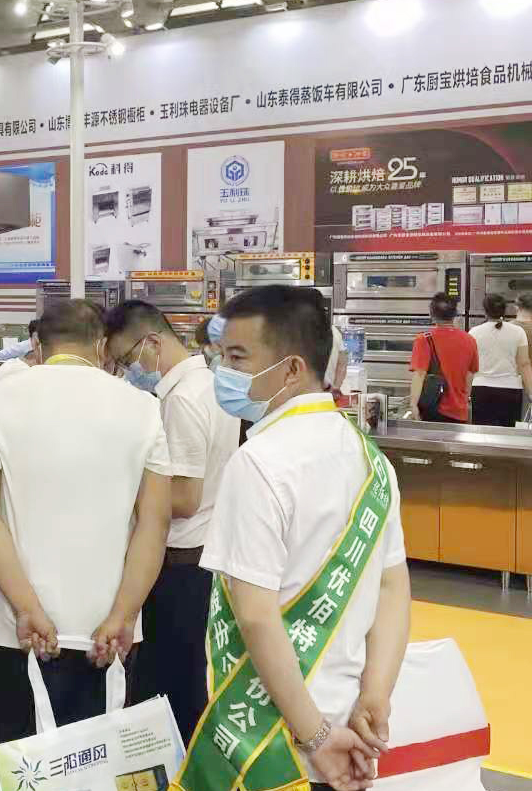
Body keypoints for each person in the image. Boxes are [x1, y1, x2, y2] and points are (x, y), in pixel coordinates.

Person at [182, 285, 410, 791]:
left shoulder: (259, 462)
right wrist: (375, 695)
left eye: (237, 357)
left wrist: (317, 736)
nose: (222, 371)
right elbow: (393, 587)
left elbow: (256, 615)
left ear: (290, 369)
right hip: (350, 725)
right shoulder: (370, 459)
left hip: (278, 746)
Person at [0, 299, 181, 791]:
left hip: (14, 634)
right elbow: (155, 522)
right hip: (110, 637)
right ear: (101, 346)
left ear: (38, 345)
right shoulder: (143, 407)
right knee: (99, 773)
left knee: (5, 767)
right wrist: (124, 614)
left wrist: (27, 608)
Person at [105, 301, 240, 741]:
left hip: (179, 562)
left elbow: (183, 497)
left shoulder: (182, 399)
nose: (129, 371)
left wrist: (126, 496)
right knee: (184, 677)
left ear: (153, 342)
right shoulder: (210, 385)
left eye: (128, 359)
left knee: (166, 688)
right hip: (203, 554)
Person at [408, 293, 478, 423]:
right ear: (455, 314)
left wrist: (413, 405)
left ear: (431, 314)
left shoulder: (424, 339)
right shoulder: (470, 340)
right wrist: (463, 400)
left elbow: (420, 374)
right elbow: (470, 375)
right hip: (459, 411)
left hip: (432, 409)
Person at [469, 293, 532, 427]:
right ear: (505, 309)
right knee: (508, 434)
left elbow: (469, 366)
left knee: (482, 433)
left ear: (485, 310)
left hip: (481, 389)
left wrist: (465, 392)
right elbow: (524, 364)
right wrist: (530, 392)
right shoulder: (518, 331)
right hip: (511, 390)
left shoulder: (474, 332)